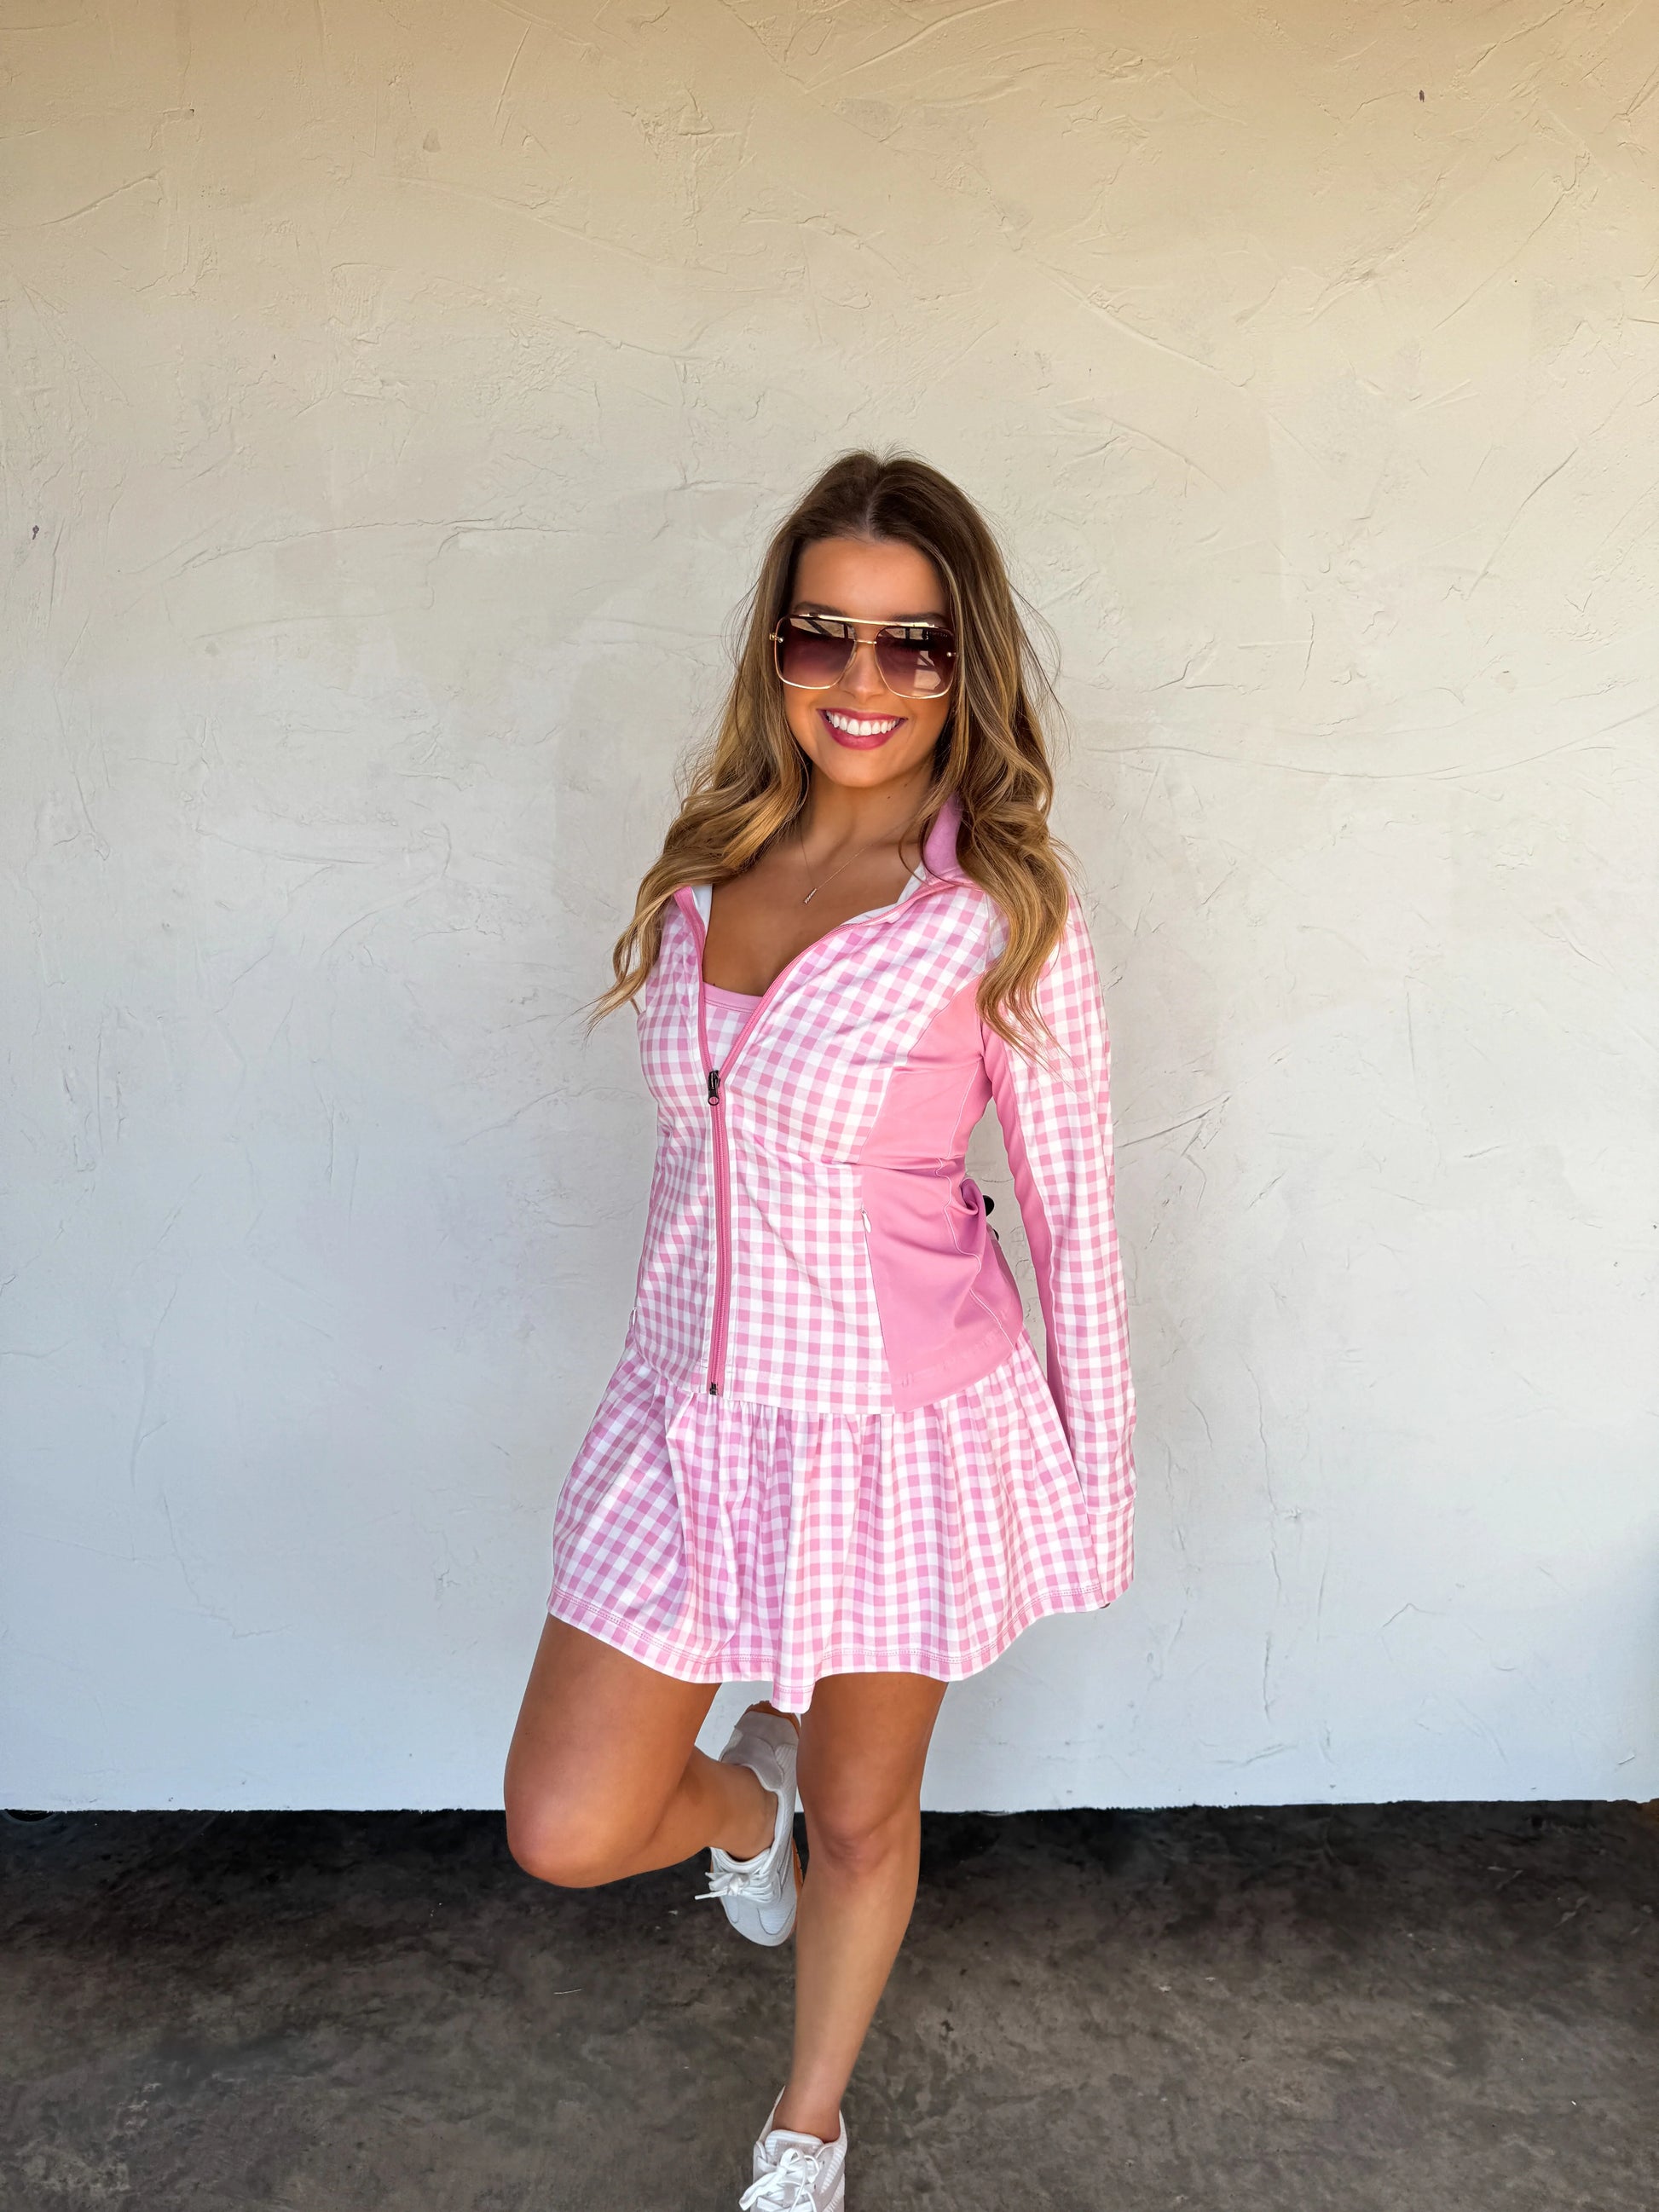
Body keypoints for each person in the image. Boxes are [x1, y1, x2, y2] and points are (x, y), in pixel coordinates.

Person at [504, 448, 1136, 2211]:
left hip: (896, 1432)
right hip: (682, 1419)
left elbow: (1074, 1214)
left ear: (963, 662)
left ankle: (806, 2126)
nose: (862, 681)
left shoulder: (999, 910)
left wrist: (1090, 1491)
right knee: (566, 1824)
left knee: (864, 1815)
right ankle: (736, 1810)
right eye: (823, 633)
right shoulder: (707, 870)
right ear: (776, 648)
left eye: (910, 642)